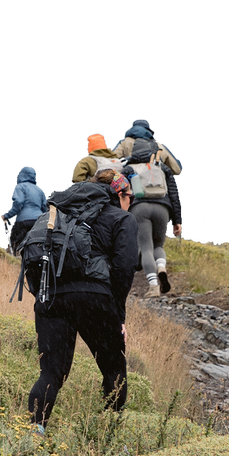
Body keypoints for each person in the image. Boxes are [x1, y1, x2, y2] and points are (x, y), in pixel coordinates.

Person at [26, 167, 139, 433]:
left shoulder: (57, 216)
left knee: (51, 373)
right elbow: (124, 268)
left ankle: (34, 434)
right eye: (130, 196)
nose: (131, 202)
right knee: (113, 369)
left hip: (51, 297)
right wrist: (118, 316)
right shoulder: (122, 219)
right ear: (119, 193)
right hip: (95, 299)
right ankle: (110, 437)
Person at [112, 120, 186, 294]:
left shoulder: (128, 165)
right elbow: (174, 192)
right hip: (163, 207)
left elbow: (116, 182)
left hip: (139, 207)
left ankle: (153, 286)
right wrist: (177, 220)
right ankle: (162, 269)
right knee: (158, 246)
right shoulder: (161, 166)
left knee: (145, 247)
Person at [1, 164, 47, 251]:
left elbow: (18, 203)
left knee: (14, 246)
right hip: (39, 221)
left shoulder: (20, 187)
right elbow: (45, 208)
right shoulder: (40, 190)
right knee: (37, 246)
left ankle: (15, 262)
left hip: (23, 222)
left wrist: (6, 215)